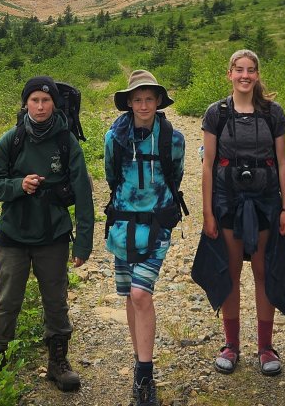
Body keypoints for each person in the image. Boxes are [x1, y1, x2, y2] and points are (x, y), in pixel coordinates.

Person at [0, 76, 94, 392]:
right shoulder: (12, 140)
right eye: (34, 100)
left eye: (46, 101)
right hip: (13, 236)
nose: (40, 106)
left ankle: (58, 362)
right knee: (6, 301)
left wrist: (84, 241)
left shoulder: (66, 141)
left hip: (53, 235)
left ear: (54, 104)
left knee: (55, 301)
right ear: (26, 103)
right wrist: (18, 186)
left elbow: (84, 193)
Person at [192, 49, 285, 377]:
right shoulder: (216, 113)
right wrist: (207, 212)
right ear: (229, 74)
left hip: (266, 199)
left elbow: (282, 163)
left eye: (251, 70)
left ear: (257, 74)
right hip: (227, 200)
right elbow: (208, 166)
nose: (245, 75)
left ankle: (266, 348)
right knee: (231, 272)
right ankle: (232, 345)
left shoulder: (273, 113)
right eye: (239, 70)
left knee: (264, 272)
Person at [104, 69, 186, 406]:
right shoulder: (115, 137)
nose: (143, 104)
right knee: (129, 295)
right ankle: (140, 360)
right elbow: (112, 176)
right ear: (129, 103)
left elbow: (175, 176)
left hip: (157, 225)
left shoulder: (173, 139)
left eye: (148, 98)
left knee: (140, 293)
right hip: (123, 226)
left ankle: (144, 374)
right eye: (137, 99)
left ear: (157, 101)